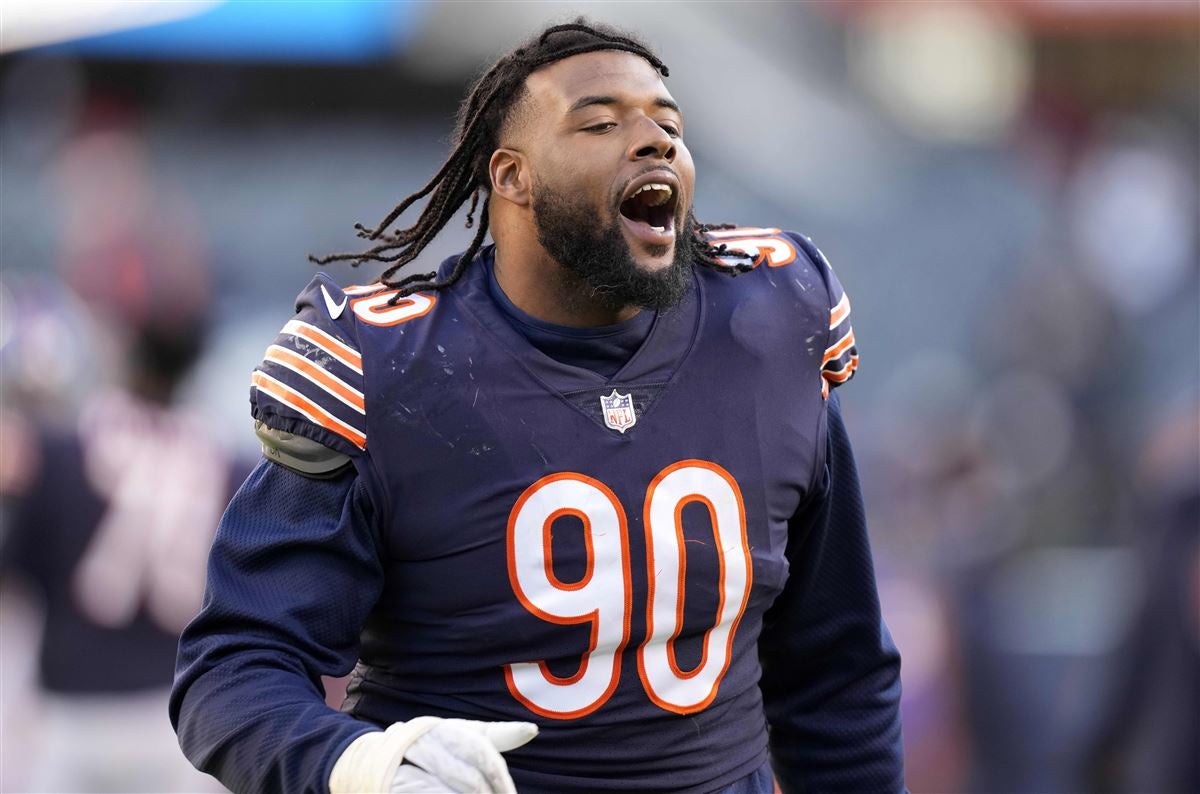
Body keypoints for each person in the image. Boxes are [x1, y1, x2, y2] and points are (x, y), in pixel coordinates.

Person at [170, 19, 904, 794]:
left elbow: (837, 671)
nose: (653, 139)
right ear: (512, 177)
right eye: (599, 121)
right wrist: (364, 766)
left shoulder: (770, 319)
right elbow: (235, 665)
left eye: (668, 123)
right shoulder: (387, 366)